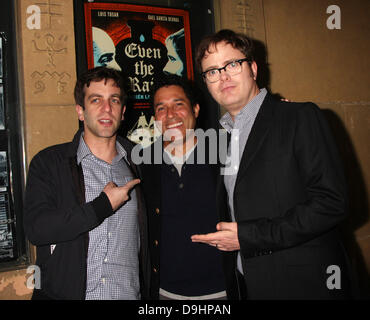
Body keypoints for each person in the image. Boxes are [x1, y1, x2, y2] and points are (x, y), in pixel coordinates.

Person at [191, 29, 352, 299]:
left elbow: (332, 203)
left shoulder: (299, 117)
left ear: (253, 68)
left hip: (305, 285)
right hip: (249, 286)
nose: (223, 77)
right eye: (212, 71)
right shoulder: (223, 139)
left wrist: (249, 237)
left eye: (232, 64)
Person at [23, 67, 150, 300]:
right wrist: (101, 207)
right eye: (95, 100)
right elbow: (37, 229)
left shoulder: (141, 165)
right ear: (80, 111)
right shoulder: (50, 163)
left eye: (114, 100)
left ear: (123, 112)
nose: (106, 108)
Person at [139, 74, 226, 300]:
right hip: (164, 293)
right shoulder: (142, 165)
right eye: (161, 108)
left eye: (178, 105)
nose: (170, 115)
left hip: (223, 291)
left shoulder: (224, 154)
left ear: (196, 109)